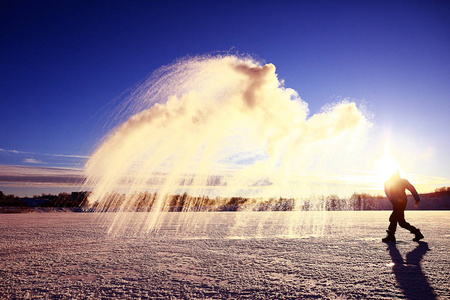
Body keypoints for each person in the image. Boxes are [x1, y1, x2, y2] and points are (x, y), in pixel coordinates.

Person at [382, 170, 424, 242]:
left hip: (401, 202)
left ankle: (391, 235)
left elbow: (412, 189)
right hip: (397, 202)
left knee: (396, 219)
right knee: (398, 220)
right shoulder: (388, 182)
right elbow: (388, 193)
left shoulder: (402, 181)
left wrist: (417, 198)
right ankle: (416, 233)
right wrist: (395, 200)